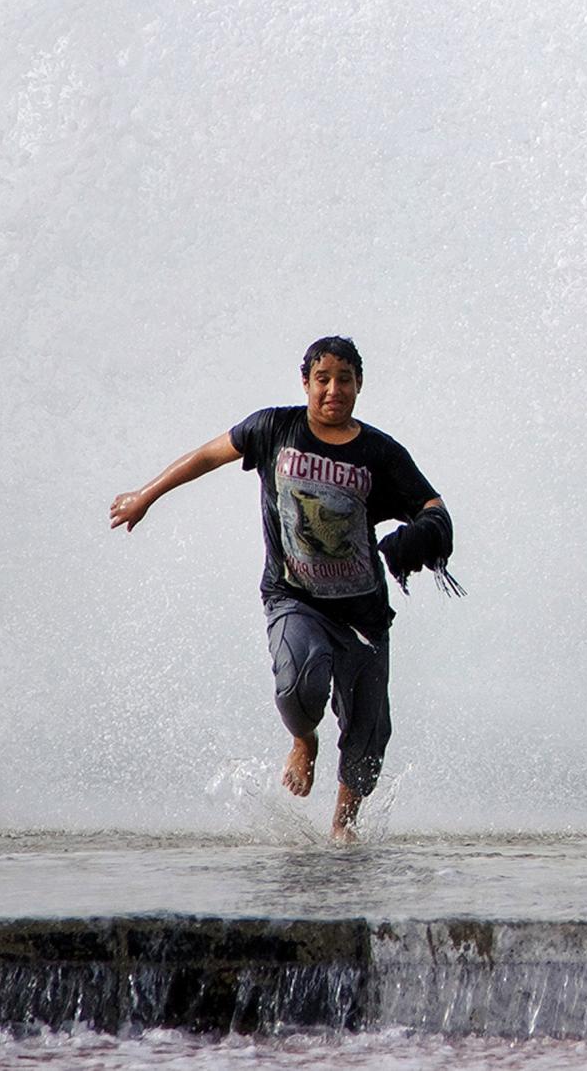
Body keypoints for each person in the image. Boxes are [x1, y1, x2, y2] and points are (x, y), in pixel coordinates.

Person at [109, 336, 453, 839]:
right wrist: (146, 495)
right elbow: (207, 455)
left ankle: (343, 827)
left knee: (367, 737)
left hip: (363, 613)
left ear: (359, 385)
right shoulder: (275, 428)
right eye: (323, 379)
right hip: (294, 597)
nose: (333, 390)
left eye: (345, 380)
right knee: (300, 679)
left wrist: (422, 535)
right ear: (306, 382)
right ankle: (303, 740)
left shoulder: (380, 452)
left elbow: (432, 506)